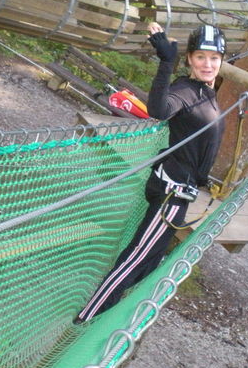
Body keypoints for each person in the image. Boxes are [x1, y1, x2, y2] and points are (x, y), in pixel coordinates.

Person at [74, 23, 226, 323]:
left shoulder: (207, 93)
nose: (208, 65)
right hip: (170, 194)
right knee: (137, 258)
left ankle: (108, 316)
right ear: (189, 60)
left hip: (181, 192)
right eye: (200, 58)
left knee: (151, 259)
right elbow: (158, 109)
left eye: (214, 58)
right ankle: (85, 319)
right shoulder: (185, 90)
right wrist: (165, 63)